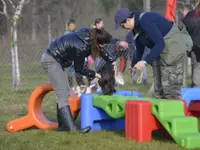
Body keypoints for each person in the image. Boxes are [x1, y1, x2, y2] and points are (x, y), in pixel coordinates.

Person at [41, 28, 116, 133]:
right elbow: (79, 69)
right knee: (63, 94)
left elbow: (102, 50)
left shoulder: (90, 35)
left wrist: (112, 61)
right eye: (104, 45)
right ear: (97, 43)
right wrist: (95, 74)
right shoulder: (82, 47)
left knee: (65, 93)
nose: (105, 47)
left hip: (56, 59)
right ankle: (71, 129)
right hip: (51, 60)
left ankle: (63, 127)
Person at [114, 8, 193, 99]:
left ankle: (173, 109)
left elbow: (160, 43)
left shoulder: (145, 20)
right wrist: (133, 65)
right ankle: (162, 110)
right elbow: (139, 50)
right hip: (161, 50)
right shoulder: (135, 28)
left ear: (128, 20)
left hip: (173, 48)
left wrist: (145, 62)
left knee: (170, 89)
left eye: (122, 25)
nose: (123, 28)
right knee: (159, 89)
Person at [182, 4, 200, 87]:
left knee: (196, 65)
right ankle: (195, 84)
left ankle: (196, 87)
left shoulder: (187, 18)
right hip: (196, 44)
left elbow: (183, 31)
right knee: (196, 65)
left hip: (194, 45)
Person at [64, 19, 77, 87]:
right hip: (69, 55)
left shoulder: (75, 33)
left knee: (75, 70)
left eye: (73, 26)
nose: (72, 27)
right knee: (70, 72)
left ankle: (78, 86)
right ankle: (70, 86)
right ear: (68, 27)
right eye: (71, 26)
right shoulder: (66, 34)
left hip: (75, 54)